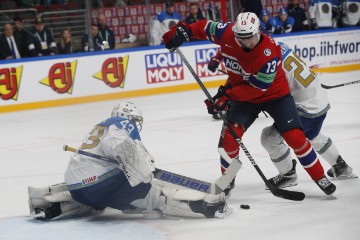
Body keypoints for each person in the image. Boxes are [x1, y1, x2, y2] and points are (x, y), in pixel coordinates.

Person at [162, 12, 336, 195]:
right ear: (235, 32)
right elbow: (204, 27)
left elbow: (257, 88)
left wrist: (226, 96)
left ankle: (319, 177)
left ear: (258, 31)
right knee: (229, 139)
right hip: (243, 96)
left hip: (275, 96)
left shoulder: (268, 52)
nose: (247, 42)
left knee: (295, 137)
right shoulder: (226, 32)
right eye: (241, 37)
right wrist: (183, 31)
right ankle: (227, 183)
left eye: (250, 37)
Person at [27, 102, 231, 220]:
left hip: (78, 187)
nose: (136, 125)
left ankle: (53, 205)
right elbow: (115, 142)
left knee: (102, 201)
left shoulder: (99, 127)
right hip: (100, 183)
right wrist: (142, 168)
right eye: (135, 120)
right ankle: (205, 206)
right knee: (151, 189)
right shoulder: (120, 122)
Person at [261, 42, 358, 188]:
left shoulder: (266, 58)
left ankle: (288, 176)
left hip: (306, 108)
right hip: (318, 99)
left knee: (269, 137)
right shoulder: (279, 45)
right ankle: (341, 167)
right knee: (313, 136)